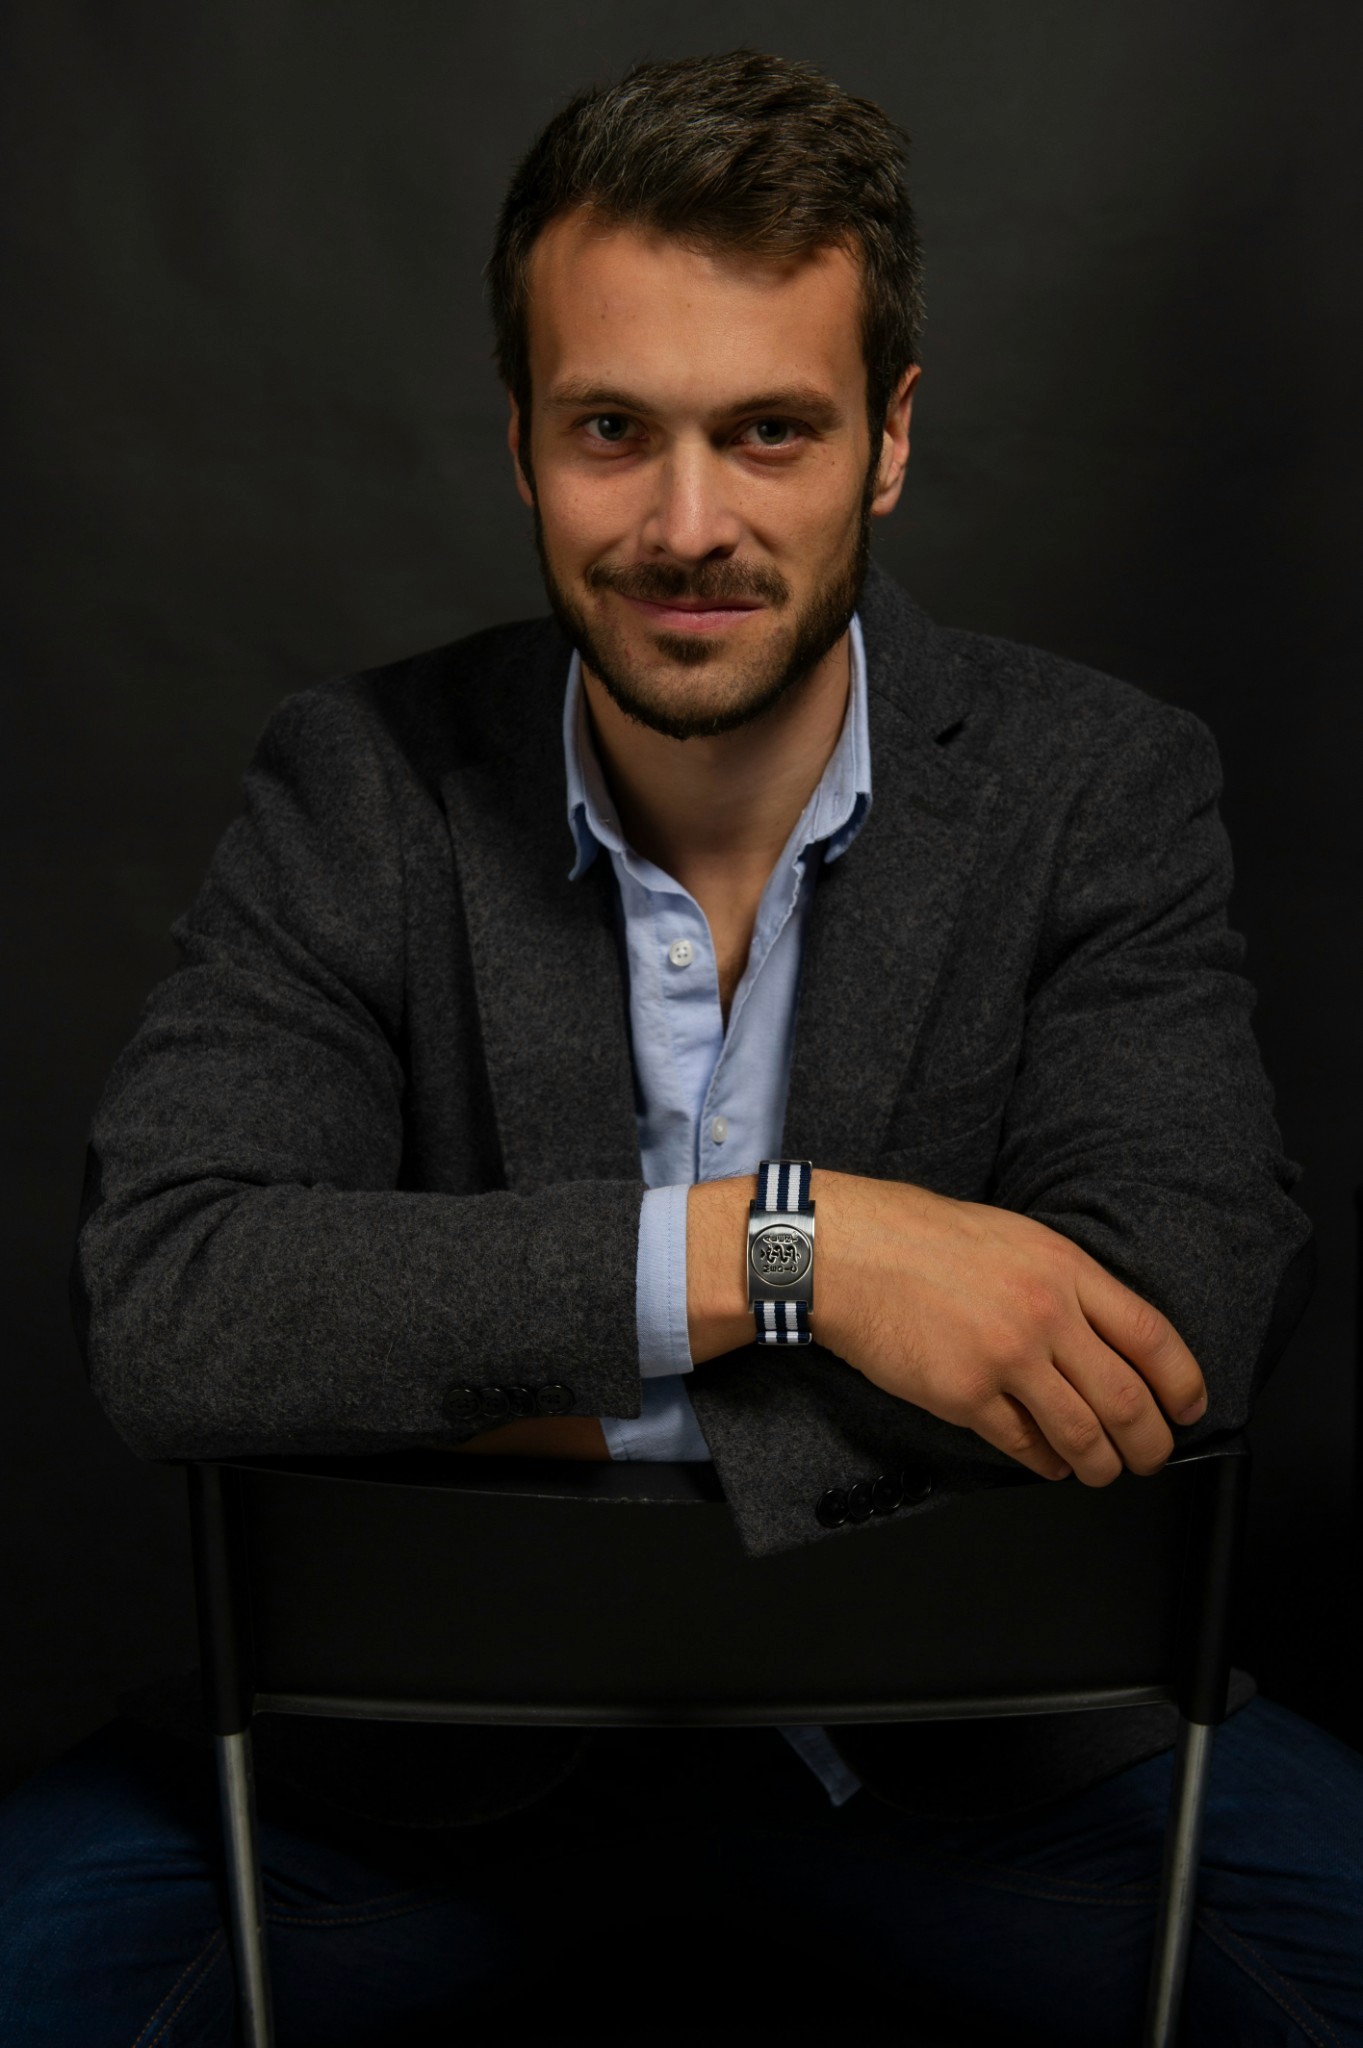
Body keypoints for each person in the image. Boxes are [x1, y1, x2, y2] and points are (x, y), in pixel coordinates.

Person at [2, 46, 1359, 2048]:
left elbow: (1178, 1310)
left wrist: (459, 1392)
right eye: (613, 429)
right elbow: (178, 1301)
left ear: (888, 442)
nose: (686, 521)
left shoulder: (1096, 786)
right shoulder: (355, 785)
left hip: (990, 1763)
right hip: (416, 1770)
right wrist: (801, 1255)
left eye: (773, 432)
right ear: (520, 438)